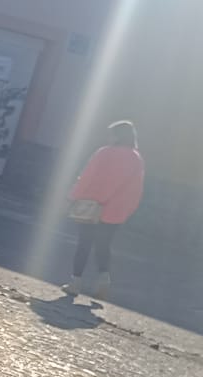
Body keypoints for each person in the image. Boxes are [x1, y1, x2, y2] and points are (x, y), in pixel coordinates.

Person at [61, 121, 146, 299]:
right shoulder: (136, 159)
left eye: (111, 134)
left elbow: (87, 177)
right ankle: (104, 280)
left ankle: (75, 283)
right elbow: (136, 189)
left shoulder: (104, 153)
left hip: (91, 205)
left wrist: (72, 197)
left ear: (117, 136)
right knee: (104, 245)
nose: (109, 137)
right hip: (115, 211)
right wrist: (127, 210)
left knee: (84, 244)